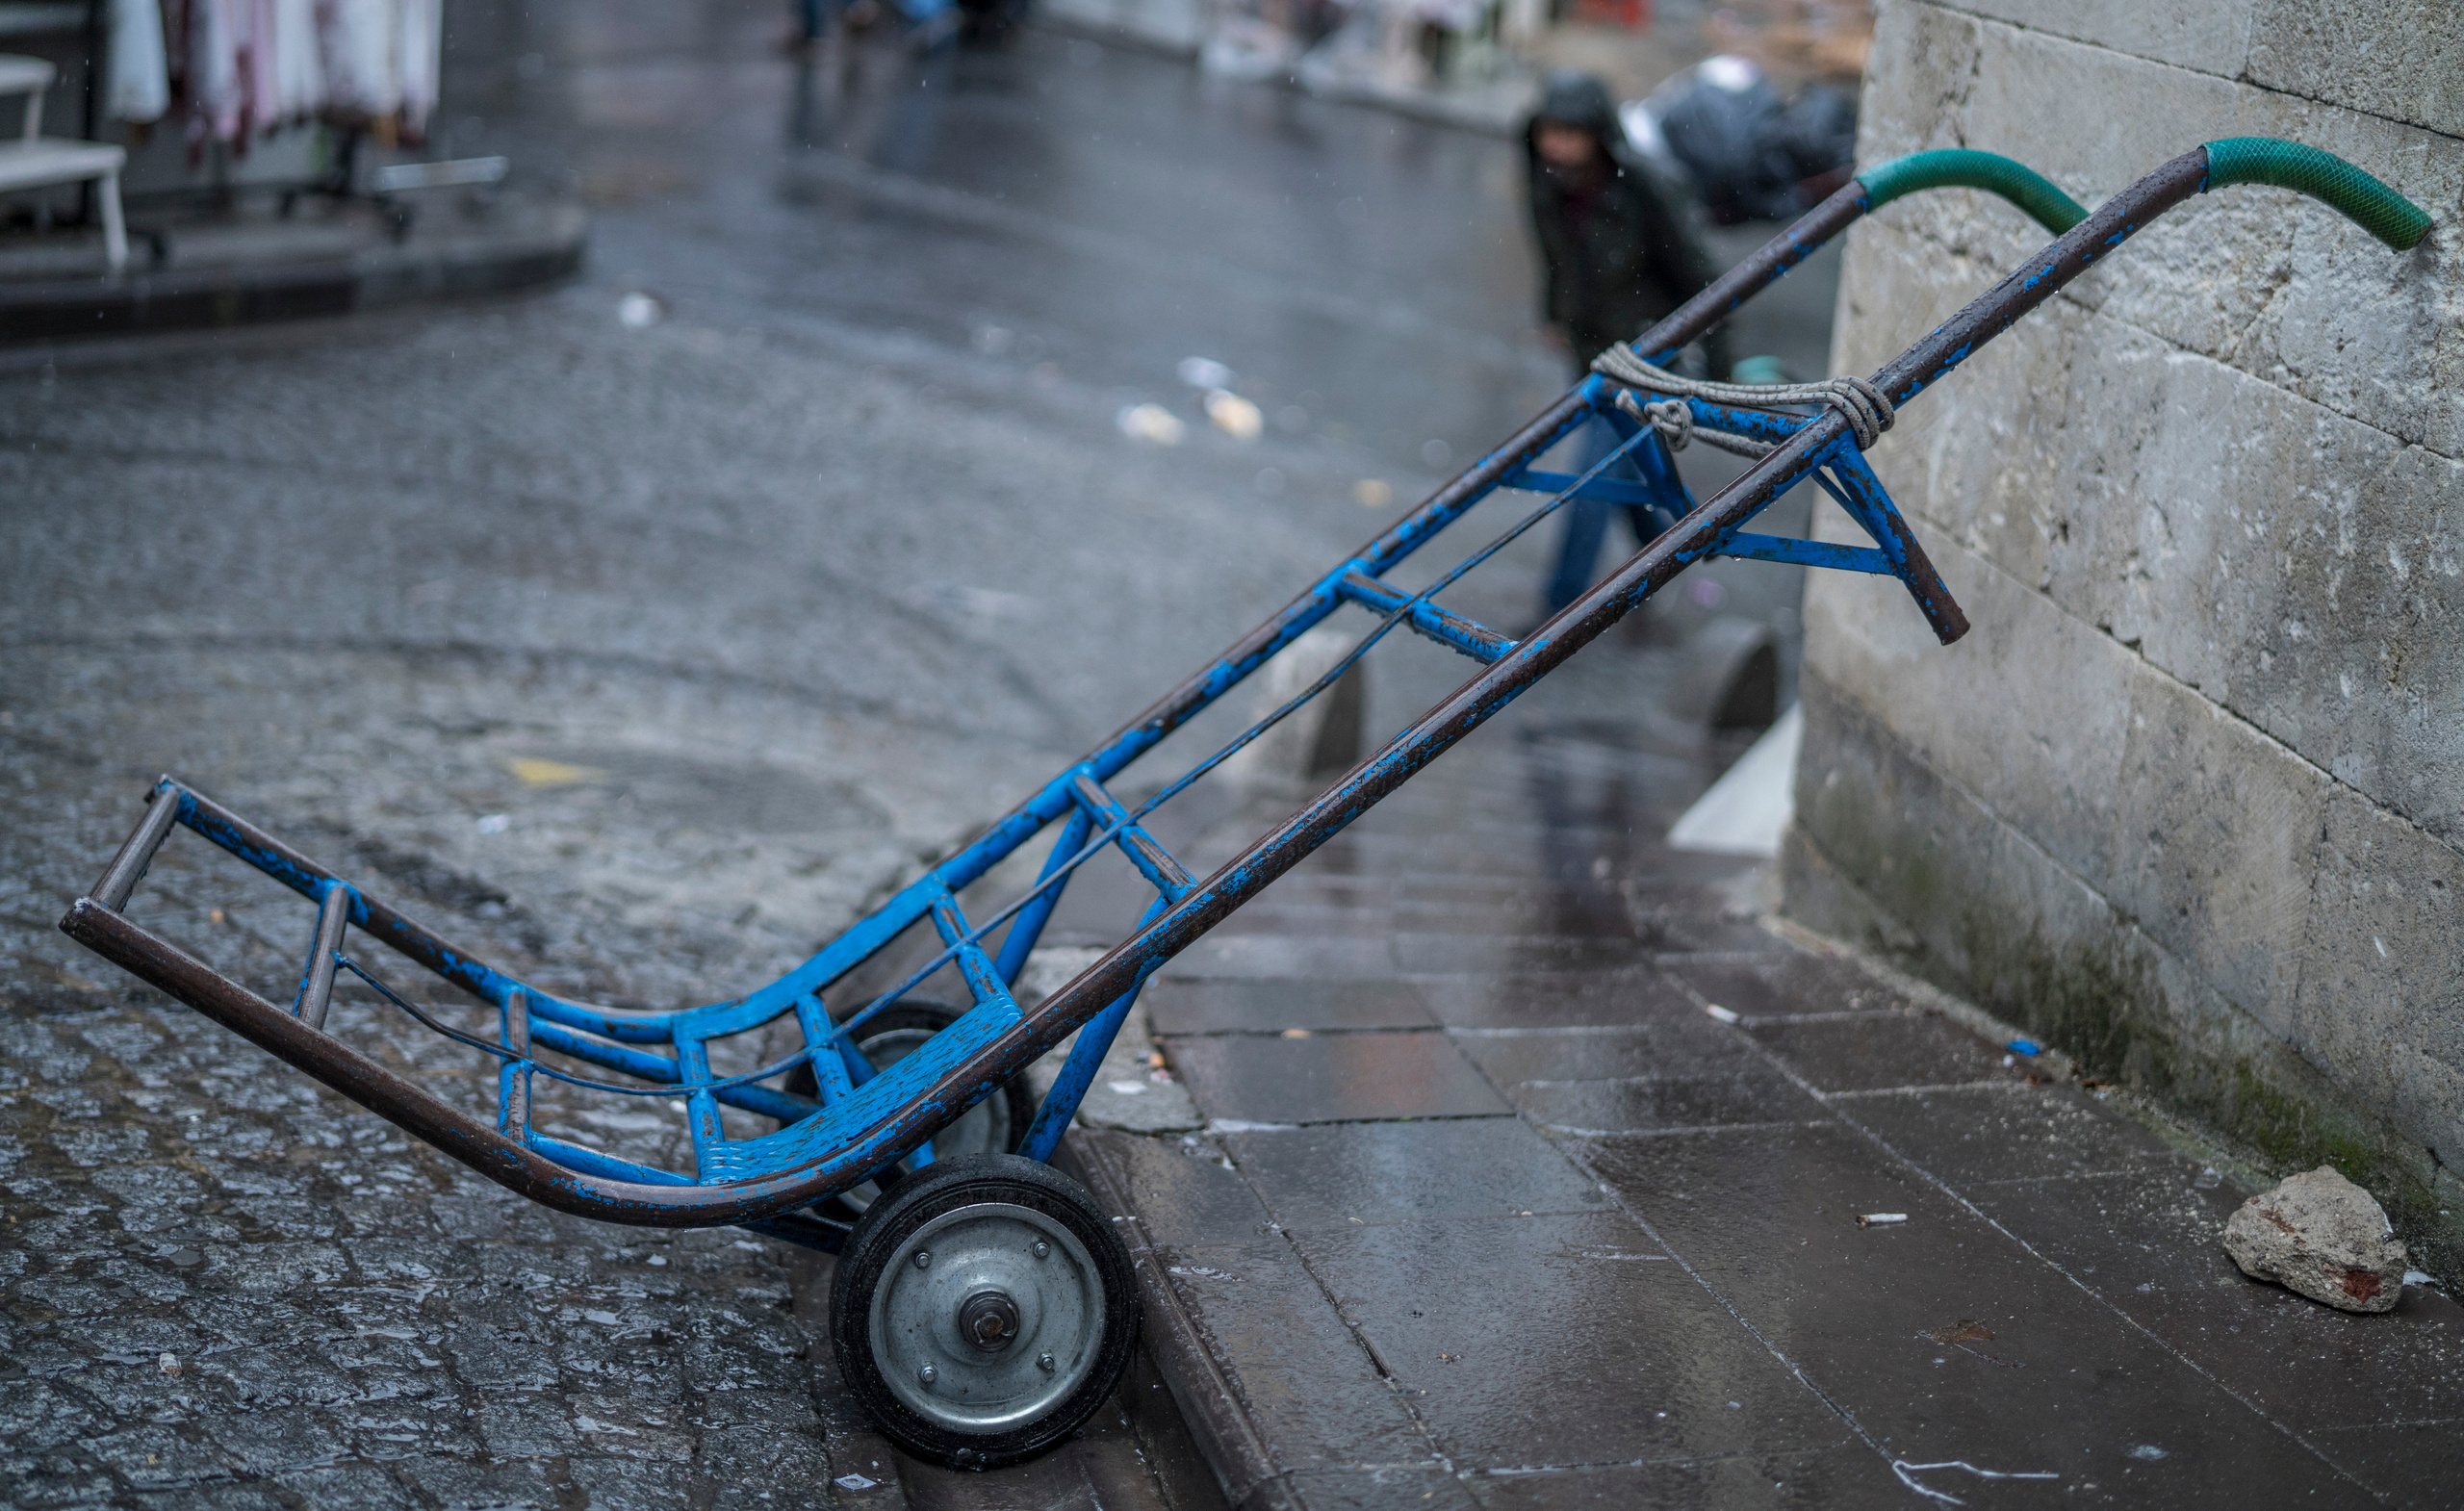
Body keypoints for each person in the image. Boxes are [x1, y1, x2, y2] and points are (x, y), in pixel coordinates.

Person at [1525, 70, 1731, 617]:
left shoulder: (1646, 188)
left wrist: (1719, 376)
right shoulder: (1545, 180)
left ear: (1597, 134)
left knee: (1594, 475)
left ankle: (1555, 618)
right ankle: (1663, 563)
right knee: (1633, 467)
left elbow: (1707, 281)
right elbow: (1555, 257)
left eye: (1571, 133)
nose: (1558, 146)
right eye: (1550, 131)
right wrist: (1554, 314)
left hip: (1645, 356)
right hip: (1590, 350)